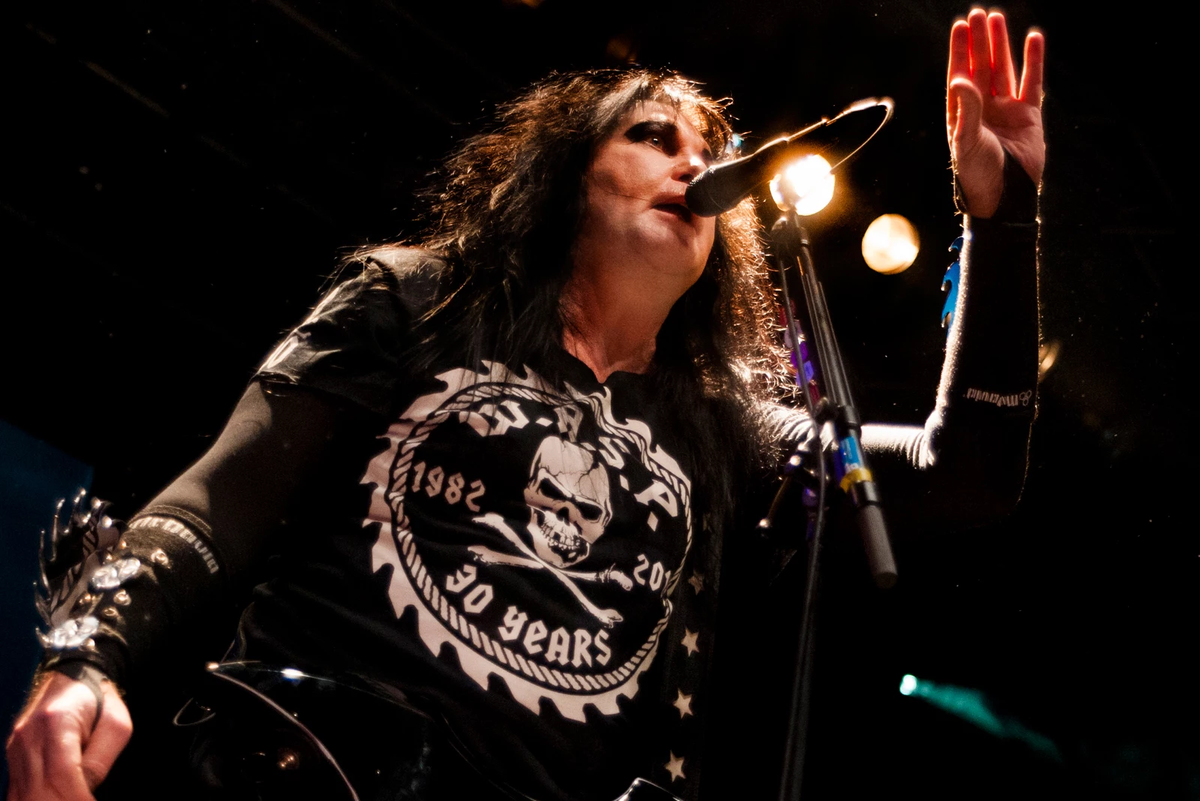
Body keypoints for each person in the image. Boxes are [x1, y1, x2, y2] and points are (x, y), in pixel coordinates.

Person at [6, 9, 1044, 801]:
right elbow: (220, 503)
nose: (696, 163)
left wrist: (1003, 223)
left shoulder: (722, 432)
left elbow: (969, 474)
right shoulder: (419, 299)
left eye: (711, 149)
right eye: (653, 135)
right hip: (303, 764)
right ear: (568, 176)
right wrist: (89, 653)